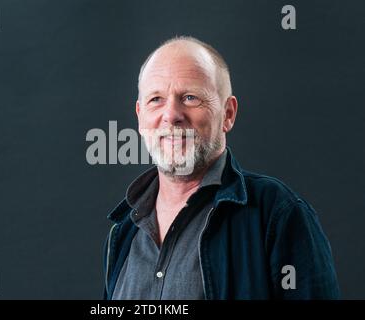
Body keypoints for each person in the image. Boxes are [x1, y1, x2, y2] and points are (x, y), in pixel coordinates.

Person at [103, 36, 340, 299]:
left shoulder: (277, 215)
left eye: (190, 97)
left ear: (228, 114)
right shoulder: (123, 230)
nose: (171, 114)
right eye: (156, 99)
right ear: (140, 117)